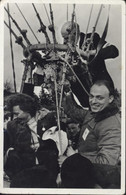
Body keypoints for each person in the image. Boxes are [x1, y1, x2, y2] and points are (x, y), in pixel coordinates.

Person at [60, 79, 121, 188]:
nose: (93, 101)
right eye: (91, 96)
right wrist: (67, 93)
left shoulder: (112, 126)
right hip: (80, 170)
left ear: (110, 98)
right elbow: (75, 112)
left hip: (92, 181)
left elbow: (107, 164)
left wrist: (73, 159)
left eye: (99, 97)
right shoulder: (96, 113)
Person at [4, 93, 59, 187]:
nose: (15, 117)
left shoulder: (47, 120)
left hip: (46, 169)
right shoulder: (13, 125)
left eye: (17, 113)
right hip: (25, 171)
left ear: (27, 110)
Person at [69, 32, 119, 107]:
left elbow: (113, 51)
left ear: (74, 32)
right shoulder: (68, 46)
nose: (65, 40)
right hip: (87, 96)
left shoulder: (92, 38)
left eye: (66, 37)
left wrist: (92, 53)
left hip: (102, 89)